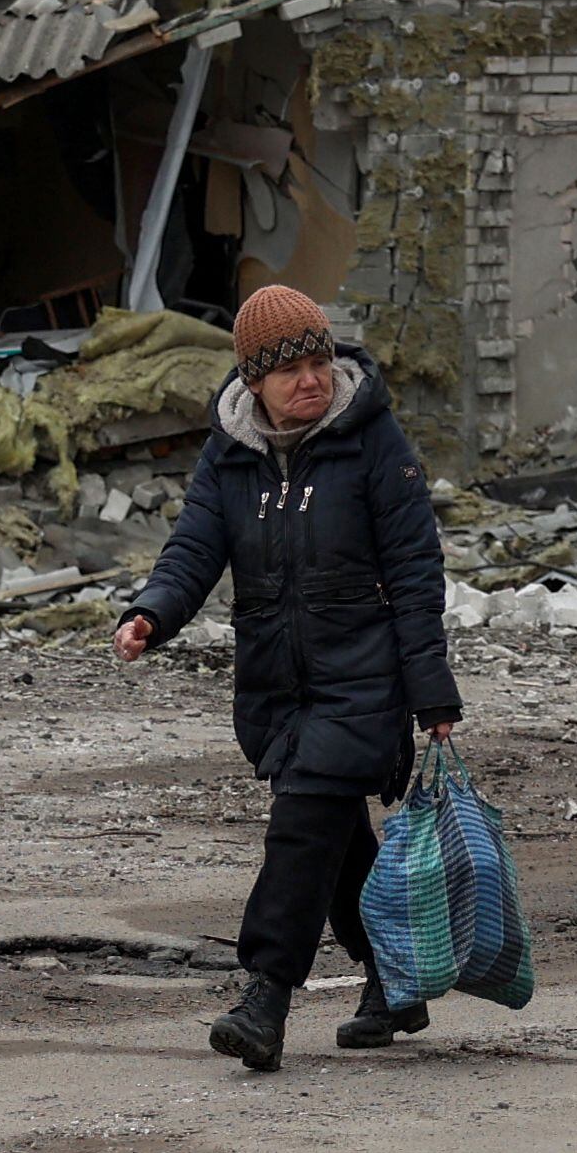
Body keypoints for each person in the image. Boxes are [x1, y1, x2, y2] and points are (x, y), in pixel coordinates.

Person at [113, 284, 460, 1072]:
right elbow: (195, 547)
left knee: (303, 825)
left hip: (364, 679)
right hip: (275, 681)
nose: (311, 379)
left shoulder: (374, 441)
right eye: (291, 368)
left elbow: (415, 572)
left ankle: (266, 993)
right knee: (335, 841)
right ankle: (396, 981)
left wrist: (431, 690)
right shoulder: (230, 450)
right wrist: (152, 615)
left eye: (319, 360)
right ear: (255, 380)